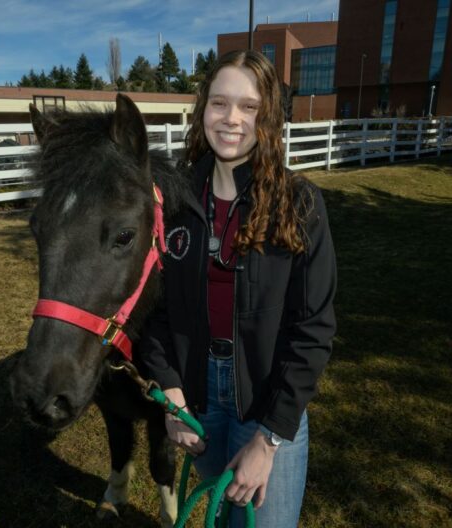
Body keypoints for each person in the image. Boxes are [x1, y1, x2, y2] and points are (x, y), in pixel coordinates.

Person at [139, 49, 337, 527]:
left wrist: (269, 439)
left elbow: (313, 330)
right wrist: (171, 395)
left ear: (267, 118)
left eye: (248, 107)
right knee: (222, 516)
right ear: (202, 109)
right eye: (219, 103)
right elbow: (152, 308)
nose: (231, 119)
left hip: (267, 402)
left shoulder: (298, 203)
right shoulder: (174, 199)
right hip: (199, 398)